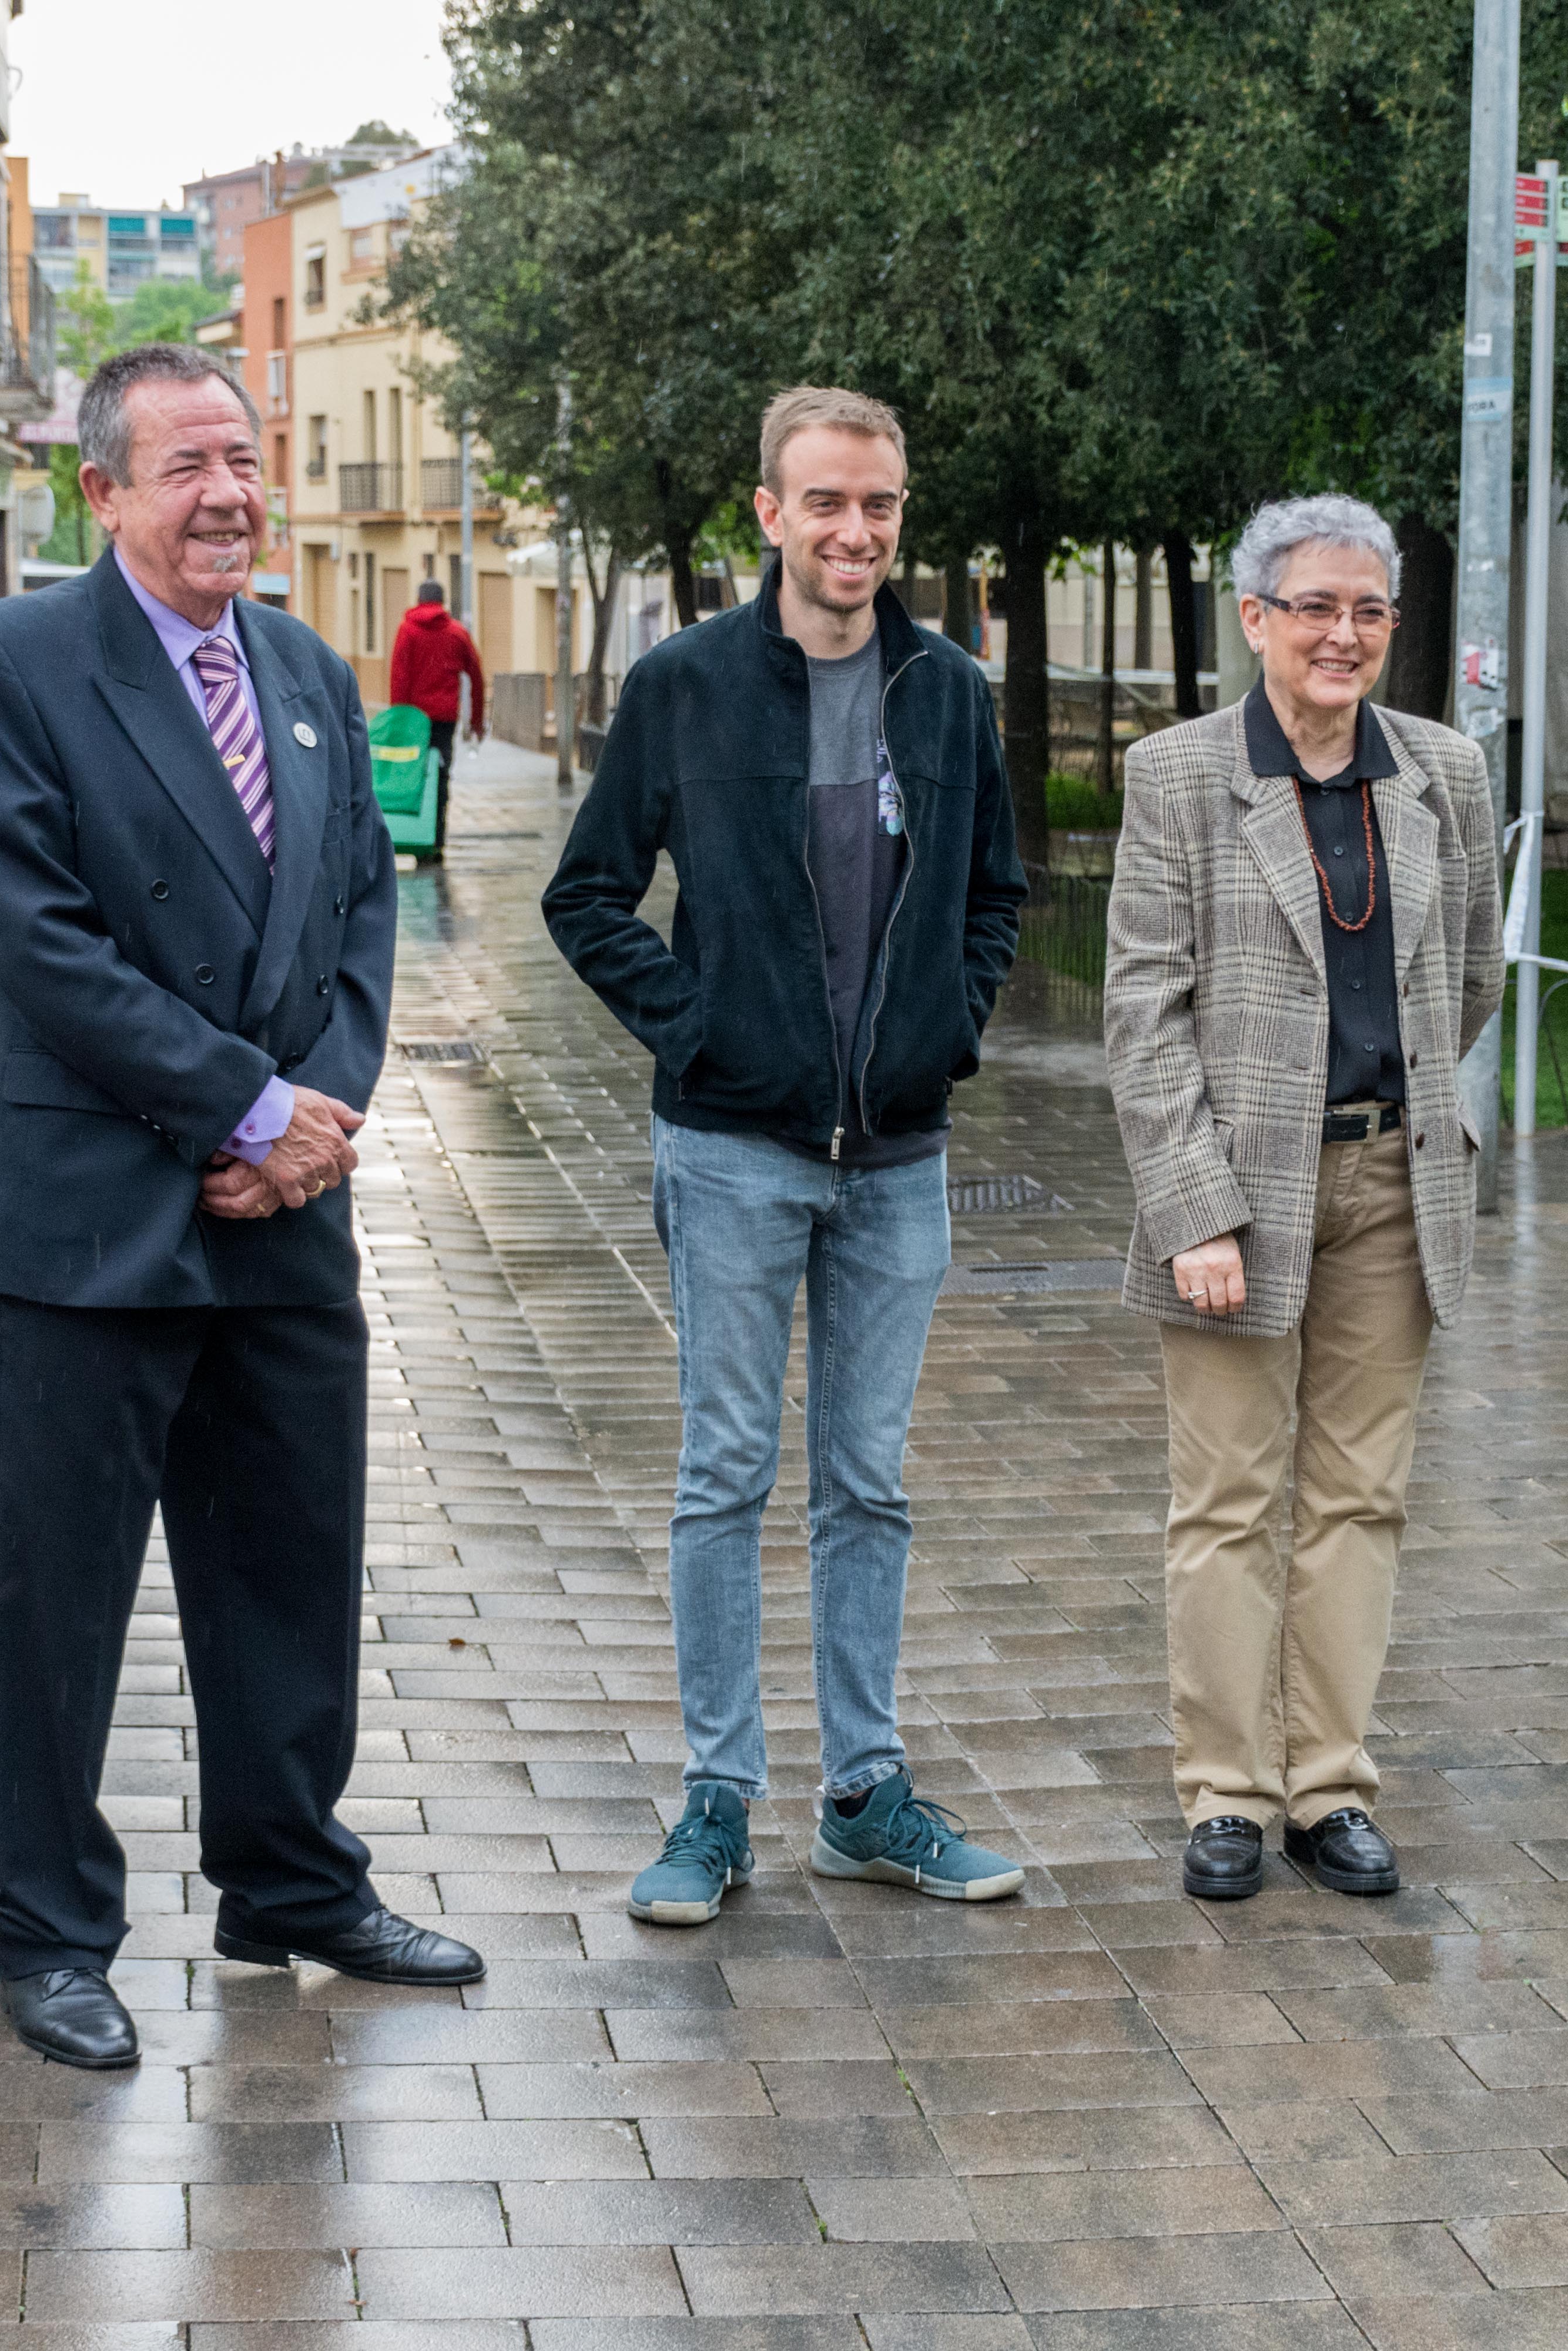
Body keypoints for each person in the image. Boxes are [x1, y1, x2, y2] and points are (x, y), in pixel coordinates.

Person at [0, 343, 481, 2072]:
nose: (226, 493)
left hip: (280, 1220)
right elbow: (38, 935)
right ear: (97, 492)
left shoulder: (313, 671)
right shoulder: (11, 663)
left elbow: (356, 917)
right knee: (58, 1598)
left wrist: (315, 1127)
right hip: (91, 1219)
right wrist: (238, 1102)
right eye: (183, 464)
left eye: (241, 459)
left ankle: (289, 1879)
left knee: (290, 1571)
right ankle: (53, 1934)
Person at [544, 386, 1027, 1926]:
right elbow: (590, 894)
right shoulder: (684, 687)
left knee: (868, 1485)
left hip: (896, 1159)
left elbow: (996, 893)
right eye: (825, 502)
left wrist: (946, 1026)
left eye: (878, 505)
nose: (855, 532)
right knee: (723, 1477)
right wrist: (704, 1031)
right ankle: (718, 1799)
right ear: (768, 513)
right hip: (734, 1155)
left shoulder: (950, 692)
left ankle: (867, 1796)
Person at [1103, 495, 1500, 1903]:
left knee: (1359, 1498)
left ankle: (1328, 1785)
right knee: (1225, 1499)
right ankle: (1224, 1791)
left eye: (1370, 609)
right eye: (1316, 606)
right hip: (1236, 1195)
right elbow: (1144, 1016)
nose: (1344, 634)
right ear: (1257, 619)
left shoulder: (1444, 770)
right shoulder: (1178, 775)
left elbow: (1469, 978)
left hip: (1396, 1178)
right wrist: (1197, 1205)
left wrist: (1390, 1111)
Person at [387, 578, 487, 780]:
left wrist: (397, 719)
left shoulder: (407, 631)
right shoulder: (457, 633)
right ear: (443, 601)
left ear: (418, 600)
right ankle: (440, 808)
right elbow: (477, 678)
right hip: (445, 717)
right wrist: (477, 721)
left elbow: (399, 678)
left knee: (413, 770)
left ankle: (418, 808)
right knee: (442, 771)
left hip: (413, 717)